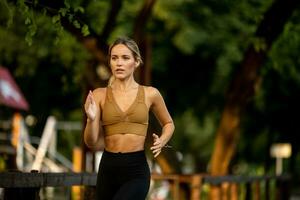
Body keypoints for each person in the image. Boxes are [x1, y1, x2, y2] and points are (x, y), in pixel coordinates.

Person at [83, 36, 175, 200]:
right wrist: (91, 119)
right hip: (107, 169)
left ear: (136, 62)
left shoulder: (150, 94)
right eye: (114, 58)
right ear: (110, 62)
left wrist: (162, 140)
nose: (119, 63)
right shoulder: (99, 95)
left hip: (136, 170)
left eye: (125, 58)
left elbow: (168, 123)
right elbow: (90, 142)